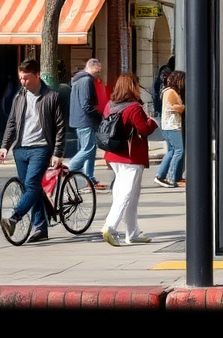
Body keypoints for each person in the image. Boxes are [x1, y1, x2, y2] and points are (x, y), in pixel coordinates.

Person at [0, 59, 66, 243]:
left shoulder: (51, 96)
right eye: (21, 78)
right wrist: (5, 146)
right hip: (21, 149)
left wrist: (58, 153)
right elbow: (12, 123)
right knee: (32, 188)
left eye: (26, 78)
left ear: (37, 75)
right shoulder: (19, 96)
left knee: (31, 184)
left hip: (41, 148)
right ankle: (40, 227)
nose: (23, 82)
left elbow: (60, 127)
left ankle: (14, 218)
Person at [99, 73, 159, 247]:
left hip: (113, 154)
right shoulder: (134, 108)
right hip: (131, 156)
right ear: (132, 87)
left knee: (130, 195)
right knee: (126, 193)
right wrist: (153, 122)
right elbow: (144, 129)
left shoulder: (111, 105)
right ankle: (110, 226)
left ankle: (132, 232)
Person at [66, 58, 103, 190]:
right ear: (92, 68)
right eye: (98, 70)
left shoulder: (77, 80)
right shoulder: (86, 80)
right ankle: (69, 168)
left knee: (89, 150)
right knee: (88, 149)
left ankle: (89, 178)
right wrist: (99, 116)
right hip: (85, 120)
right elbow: (86, 104)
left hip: (78, 119)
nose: (99, 74)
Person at [153, 70, 186, 189]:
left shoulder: (167, 91)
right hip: (172, 125)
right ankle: (171, 177)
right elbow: (174, 107)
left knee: (172, 151)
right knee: (179, 151)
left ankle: (161, 175)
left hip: (169, 125)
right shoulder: (171, 92)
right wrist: (184, 107)